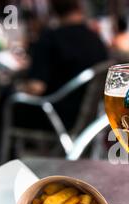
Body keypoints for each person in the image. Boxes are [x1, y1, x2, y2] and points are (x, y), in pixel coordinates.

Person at [22, 0, 108, 129]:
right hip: (89, 119)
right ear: (79, 6)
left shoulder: (50, 39)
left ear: (53, 9)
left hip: (55, 118)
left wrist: (18, 89)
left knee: (6, 101)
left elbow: (36, 87)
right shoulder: (96, 40)